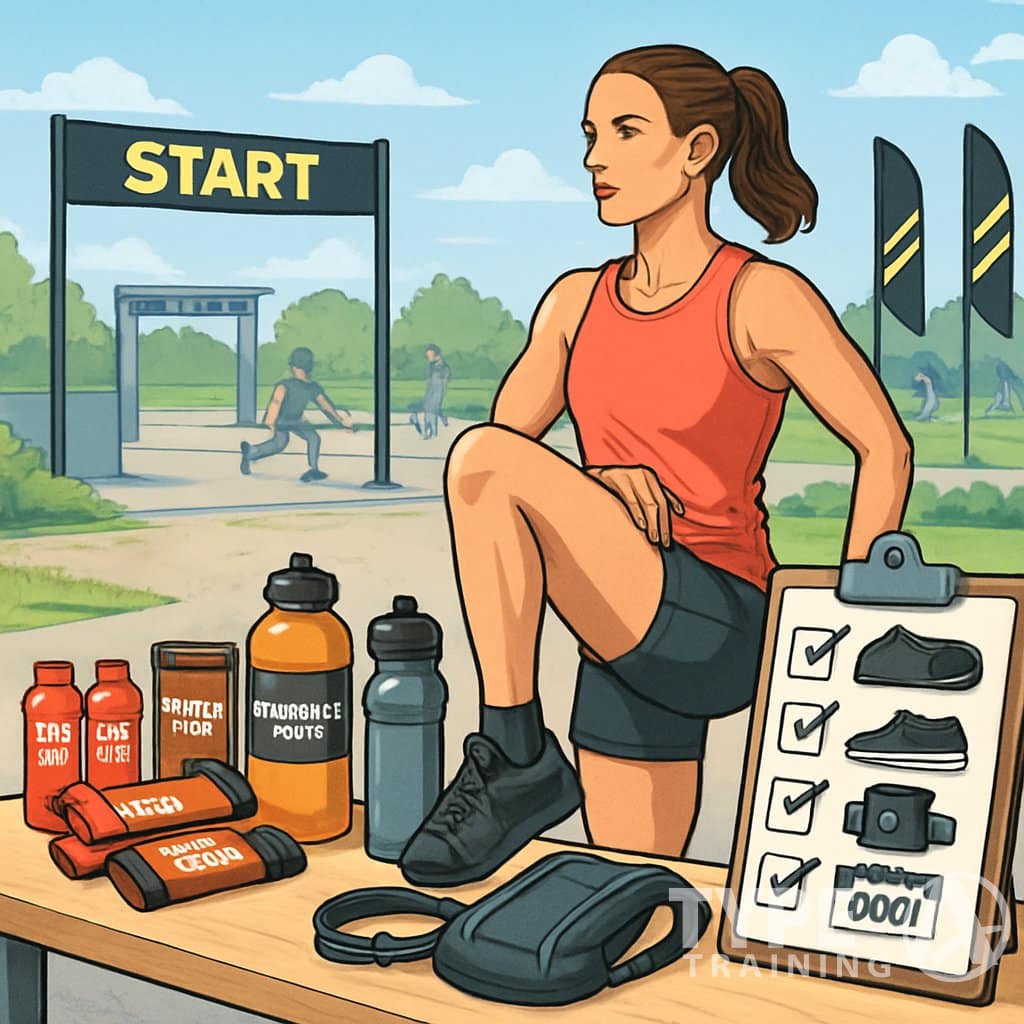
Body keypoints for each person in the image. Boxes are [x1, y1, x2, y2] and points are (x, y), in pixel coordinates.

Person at [397, 43, 913, 889]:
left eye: (626, 132)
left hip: (717, 614)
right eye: (590, 134)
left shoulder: (757, 296)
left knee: (482, 461)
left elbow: (884, 445)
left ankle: (514, 749)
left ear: (698, 150)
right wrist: (597, 487)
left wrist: (851, 623)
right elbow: (502, 483)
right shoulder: (575, 302)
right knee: (628, 888)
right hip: (622, 626)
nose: (596, 158)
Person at [239, 346, 354, 482]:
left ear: (293, 367)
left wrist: (340, 422)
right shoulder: (305, 387)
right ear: (309, 367)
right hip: (284, 420)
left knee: (297, 440)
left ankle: (313, 469)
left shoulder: (295, 385)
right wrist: (271, 422)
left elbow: (325, 406)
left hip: (293, 420)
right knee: (286, 442)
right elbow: (326, 407)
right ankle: (252, 453)